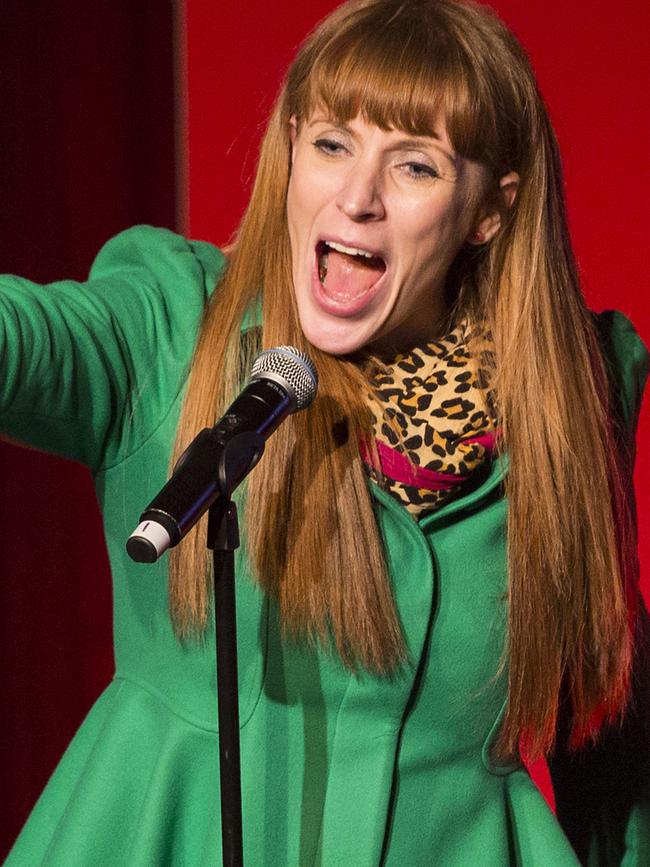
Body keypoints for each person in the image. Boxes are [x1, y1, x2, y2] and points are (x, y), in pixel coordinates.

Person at [4, 0, 649, 864]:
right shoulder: (173, 327)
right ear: (293, 149)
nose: (357, 197)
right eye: (332, 144)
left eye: (415, 165)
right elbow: (28, 341)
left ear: (488, 212)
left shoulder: (571, 394)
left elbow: (610, 744)